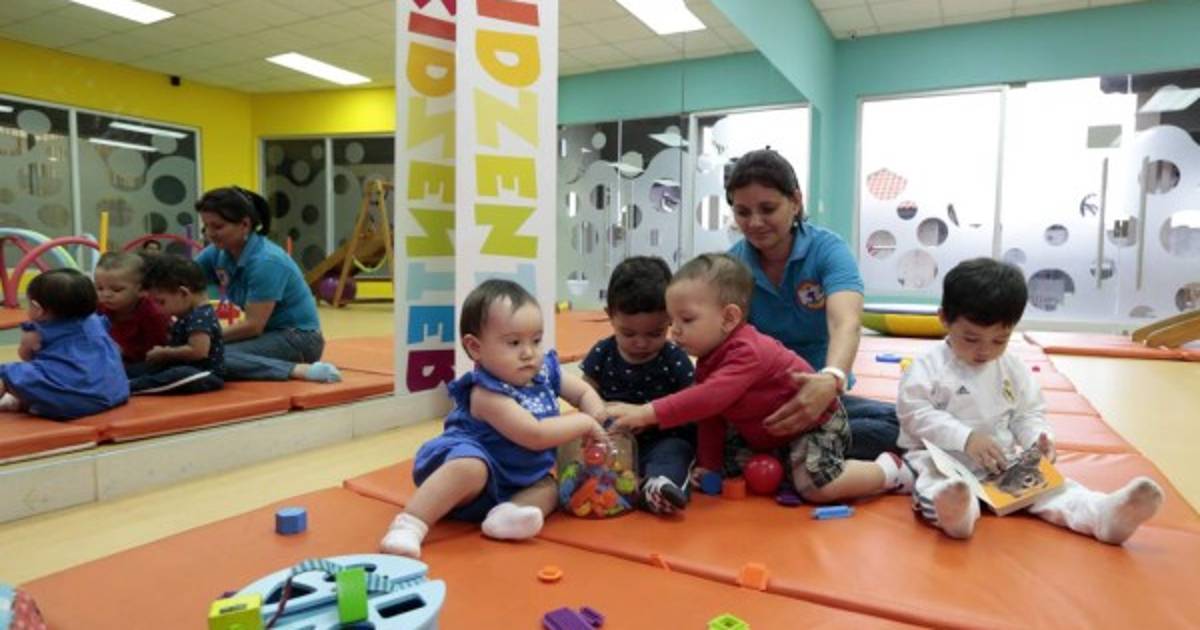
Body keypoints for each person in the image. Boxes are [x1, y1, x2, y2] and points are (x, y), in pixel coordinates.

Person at [609, 254, 911, 504]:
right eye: (672, 321)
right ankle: (787, 463)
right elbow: (710, 415)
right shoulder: (709, 358)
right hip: (766, 432)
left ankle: (889, 471)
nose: (675, 331)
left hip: (814, 424)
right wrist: (710, 465)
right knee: (734, 467)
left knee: (815, 486)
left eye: (686, 320)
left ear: (729, 318)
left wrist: (646, 412)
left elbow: (708, 397)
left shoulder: (747, 351)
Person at [898, 258, 1162, 543]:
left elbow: (1028, 413)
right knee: (937, 487)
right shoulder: (927, 367)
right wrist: (966, 438)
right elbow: (915, 414)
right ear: (944, 319)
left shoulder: (1012, 368)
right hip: (941, 461)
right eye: (971, 339)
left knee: (1056, 489)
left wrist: (1037, 440)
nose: (985, 350)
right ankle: (958, 515)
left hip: (999, 464)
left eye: (999, 340)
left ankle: (1103, 516)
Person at [380, 280, 608, 558]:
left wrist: (597, 413)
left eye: (536, 340)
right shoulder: (486, 393)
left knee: (550, 487)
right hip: (465, 476)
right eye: (514, 343)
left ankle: (506, 516)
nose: (528, 352)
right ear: (475, 348)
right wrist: (584, 423)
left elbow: (583, 391)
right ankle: (410, 524)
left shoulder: (545, 372)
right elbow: (534, 434)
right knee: (472, 467)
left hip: (516, 481)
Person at [726, 149, 898, 460]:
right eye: (742, 212)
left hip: (824, 390)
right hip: (763, 399)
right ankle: (807, 452)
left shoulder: (827, 249)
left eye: (768, 209)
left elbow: (845, 322)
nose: (755, 222)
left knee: (899, 425)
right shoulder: (732, 265)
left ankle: (787, 453)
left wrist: (831, 378)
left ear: (795, 201)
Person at [581, 256, 695, 515]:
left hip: (661, 441)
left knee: (676, 452)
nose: (641, 343)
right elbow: (584, 392)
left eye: (655, 333)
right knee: (586, 455)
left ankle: (655, 489)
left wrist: (652, 417)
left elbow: (692, 401)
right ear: (610, 316)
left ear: (670, 318)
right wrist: (599, 415)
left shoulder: (674, 358)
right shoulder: (602, 353)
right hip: (612, 442)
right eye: (629, 333)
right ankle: (606, 486)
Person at [194, 186, 339, 383]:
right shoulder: (218, 252)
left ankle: (296, 370)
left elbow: (253, 326)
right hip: (267, 335)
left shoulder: (266, 261)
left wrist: (203, 337)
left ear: (245, 224)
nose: (210, 234)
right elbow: (183, 279)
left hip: (299, 339)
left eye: (218, 227)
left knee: (208, 356)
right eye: (206, 227)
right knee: (196, 354)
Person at [0, 269, 128, 419]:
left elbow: (25, 357)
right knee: (59, 374)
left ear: (38, 309)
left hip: (70, 402)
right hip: (113, 392)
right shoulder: (96, 321)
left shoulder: (37, 332)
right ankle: (24, 402)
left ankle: (23, 400)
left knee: (9, 373)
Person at [128, 255, 224, 395]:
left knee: (178, 374)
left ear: (183, 293)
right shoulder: (186, 314)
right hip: (181, 366)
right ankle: (121, 377)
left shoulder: (200, 316)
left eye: (161, 302)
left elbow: (198, 351)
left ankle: (132, 386)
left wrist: (166, 353)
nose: (158, 308)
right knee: (145, 368)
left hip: (203, 374)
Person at [94, 252, 171, 366]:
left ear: (140, 290)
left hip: (141, 365)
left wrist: (124, 353)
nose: (106, 294)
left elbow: (156, 354)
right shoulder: (97, 308)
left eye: (116, 290)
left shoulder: (154, 315)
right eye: (99, 288)